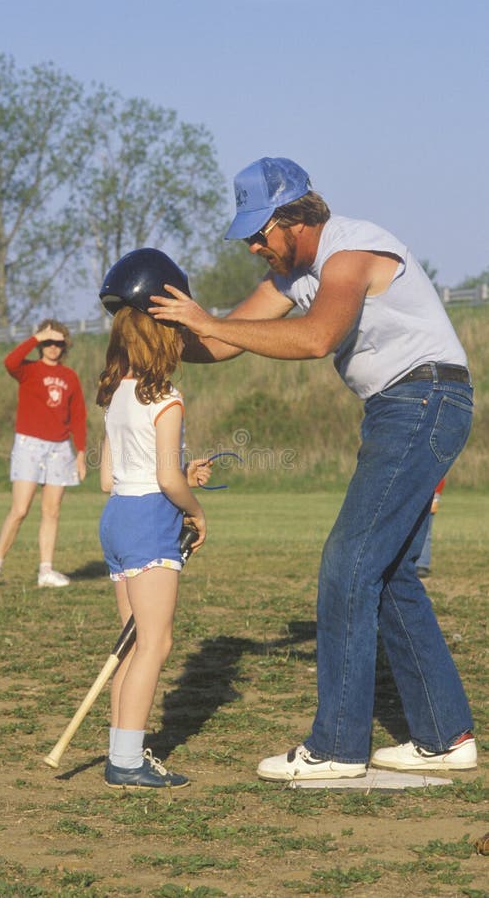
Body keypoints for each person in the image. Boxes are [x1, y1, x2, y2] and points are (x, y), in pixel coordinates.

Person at [149, 157, 476, 779]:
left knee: (347, 564)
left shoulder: (351, 252)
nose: (250, 245)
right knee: (390, 572)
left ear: (293, 217)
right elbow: (220, 341)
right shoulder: (290, 273)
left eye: (257, 231)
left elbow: (318, 337)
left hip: (424, 401)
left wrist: (212, 321)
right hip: (399, 408)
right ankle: (445, 736)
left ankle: (337, 747)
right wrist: (154, 325)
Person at [97, 248, 211, 789]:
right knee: (155, 644)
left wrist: (180, 473)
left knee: (131, 642)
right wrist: (195, 508)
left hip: (117, 514)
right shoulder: (166, 397)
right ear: (167, 337)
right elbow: (167, 481)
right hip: (148, 520)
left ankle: (120, 750)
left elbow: (108, 477)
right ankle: (126, 761)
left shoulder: (114, 394)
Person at [0, 319, 87, 589]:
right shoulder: (27, 370)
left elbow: (78, 417)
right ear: (41, 343)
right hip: (29, 445)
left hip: (60, 448)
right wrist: (37, 337)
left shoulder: (70, 377)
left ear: (65, 346)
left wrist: (81, 453)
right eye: (48, 342)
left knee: (51, 511)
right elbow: (9, 361)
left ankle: (46, 570)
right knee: (20, 509)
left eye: (58, 342)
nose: (53, 347)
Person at [416, 478, 446, 578]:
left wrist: (436, 496)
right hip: (415, 490)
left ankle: (422, 565)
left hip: (433, 492)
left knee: (426, 530)